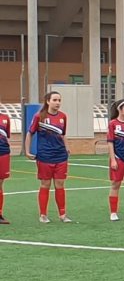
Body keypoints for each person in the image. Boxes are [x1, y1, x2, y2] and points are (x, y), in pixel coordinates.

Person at [25, 91, 71, 223]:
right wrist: (27, 151)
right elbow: (30, 133)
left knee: (60, 184)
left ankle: (62, 215)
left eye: (59, 100)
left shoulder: (63, 116)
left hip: (60, 156)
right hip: (45, 155)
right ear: (48, 101)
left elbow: (63, 134)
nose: (57, 103)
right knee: (45, 184)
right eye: (55, 100)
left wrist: (67, 147)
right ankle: (43, 215)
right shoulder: (39, 116)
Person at [0, 104, 10, 225]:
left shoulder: (5, 118)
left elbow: (7, 137)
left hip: (3, 153)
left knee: (0, 183)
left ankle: (0, 214)